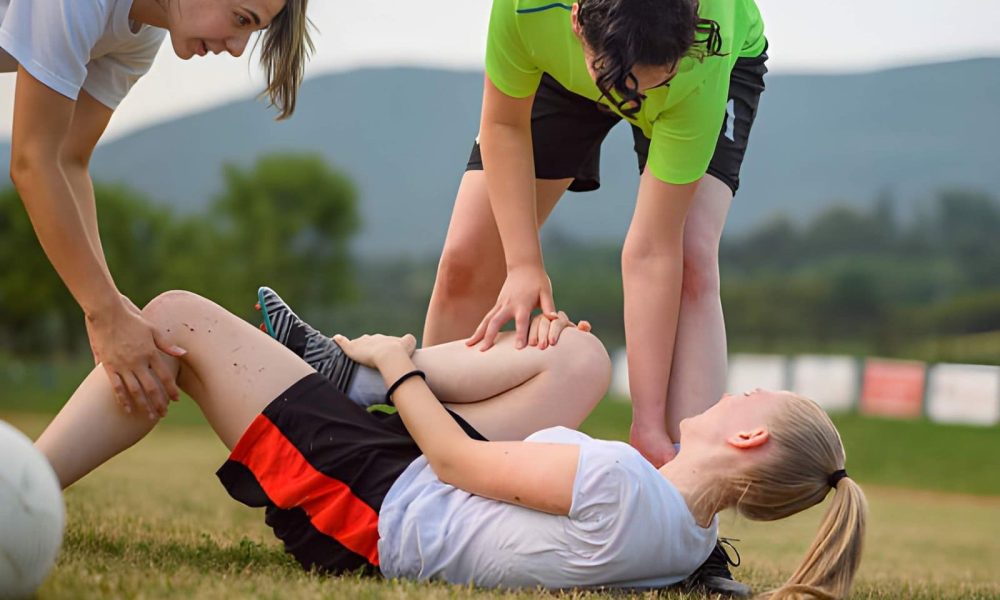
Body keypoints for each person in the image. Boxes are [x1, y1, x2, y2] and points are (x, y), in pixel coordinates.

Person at [36, 288, 867, 598]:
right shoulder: (693, 541)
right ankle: (342, 377)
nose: (730, 391)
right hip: (417, 483)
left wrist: (403, 370)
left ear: (750, 434)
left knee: (175, 318)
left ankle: (24, 489)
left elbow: (456, 463)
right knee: (578, 355)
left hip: (373, 507)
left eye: (748, 397)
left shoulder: (618, 478)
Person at [423, 0, 768, 471]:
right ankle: (401, 468)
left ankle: (690, 501)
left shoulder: (700, 54)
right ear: (575, 18)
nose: (633, 103)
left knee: (689, 259)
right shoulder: (528, 6)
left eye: (648, 86)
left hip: (687, 77)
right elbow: (504, 123)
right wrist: (524, 265)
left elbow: (651, 249)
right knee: (468, 261)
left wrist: (646, 421)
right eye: (621, 90)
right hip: (567, 68)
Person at [1, 0, 312, 423]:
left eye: (251, 31)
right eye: (241, 19)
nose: (239, 48)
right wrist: (105, 313)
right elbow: (33, 161)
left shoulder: (142, 36)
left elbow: (69, 161)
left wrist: (110, 305)